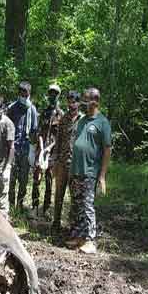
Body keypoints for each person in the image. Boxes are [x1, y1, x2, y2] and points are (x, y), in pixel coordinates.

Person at [66, 87, 112, 254]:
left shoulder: (102, 123)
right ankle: (79, 236)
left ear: (96, 101)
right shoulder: (83, 120)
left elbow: (107, 150)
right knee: (76, 204)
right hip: (76, 169)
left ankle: (90, 240)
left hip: (90, 171)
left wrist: (102, 176)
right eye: (83, 100)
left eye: (87, 100)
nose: (84, 103)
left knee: (87, 206)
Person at [51, 90, 84, 231]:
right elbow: (58, 140)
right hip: (62, 163)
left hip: (76, 164)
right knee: (59, 194)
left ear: (79, 102)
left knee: (75, 197)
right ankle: (56, 222)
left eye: (74, 101)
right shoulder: (63, 119)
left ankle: (73, 226)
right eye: (69, 101)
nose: (71, 104)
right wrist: (55, 160)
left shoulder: (83, 120)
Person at [31, 84, 65, 219]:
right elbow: (39, 131)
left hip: (53, 152)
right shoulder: (44, 112)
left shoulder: (61, 115)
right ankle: (34, 207)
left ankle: (46, 209)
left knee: (49, 181)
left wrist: (50, 148)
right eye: (51, 93)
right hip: (41, 150)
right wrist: (41, 145)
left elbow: (61, 137)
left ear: (58, 96)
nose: (52, 96)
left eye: (55, 94)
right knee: (36, 178)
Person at [6, 81, 38, 212]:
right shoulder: (12, 108)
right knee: (11, 178)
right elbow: (6, 127)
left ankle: (20, 204)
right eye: (21, 93)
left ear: (29, 93)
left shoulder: (32, 109)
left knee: (24, 179)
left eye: (25, 93)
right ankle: (11, 204)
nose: (23, 96)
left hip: (26, 148)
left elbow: (34, 131)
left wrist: (33, 150)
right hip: (13, 148)